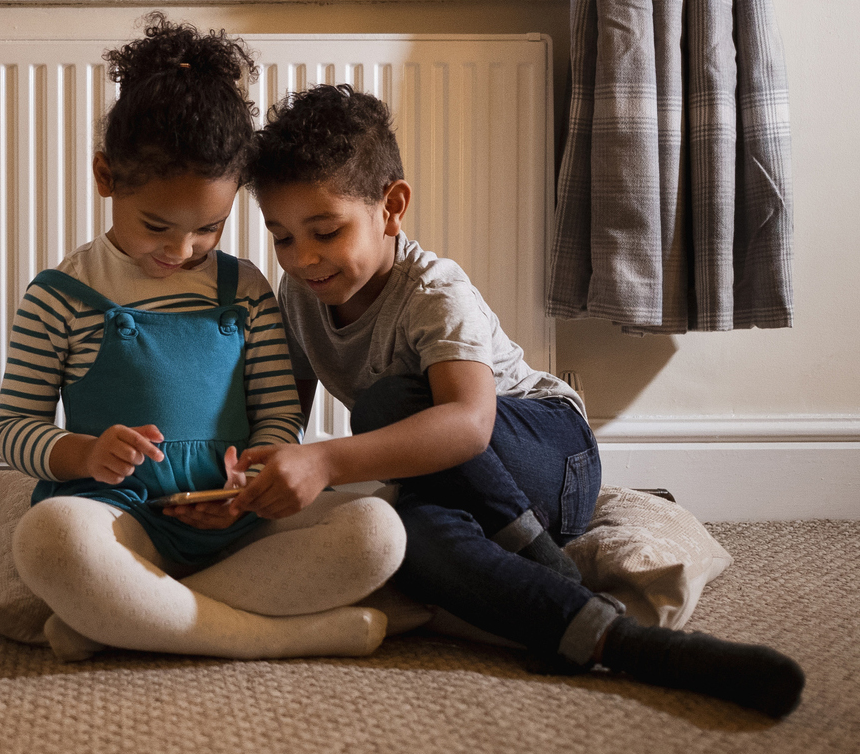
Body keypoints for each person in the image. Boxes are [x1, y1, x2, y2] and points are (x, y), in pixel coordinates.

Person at [229, 83, 805, 718]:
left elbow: (469, 425)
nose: (303, 259)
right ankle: (614, 639)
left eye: (325, 231)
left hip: (550, 454)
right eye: (282, 238)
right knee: (404, 535)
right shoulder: (299, 298)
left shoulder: (433, 291)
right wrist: (261, 468)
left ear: (391, 208)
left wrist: (330, 462)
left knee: (386, 405)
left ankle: (539, 556)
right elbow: (289, 408)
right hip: (453, 484)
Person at [0, 16, 406, 663]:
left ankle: (120, 616)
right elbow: (14, 426)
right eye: (157, 225)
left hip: (235, 523)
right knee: (46, 541)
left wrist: (253, 483)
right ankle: (275, 636)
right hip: (117, 517)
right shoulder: (58, 295)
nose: (181, 249)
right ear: (105, 176)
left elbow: (276, 413)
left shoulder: (241, 289)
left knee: (377, 532)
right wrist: (81, 454)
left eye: (208, 228)